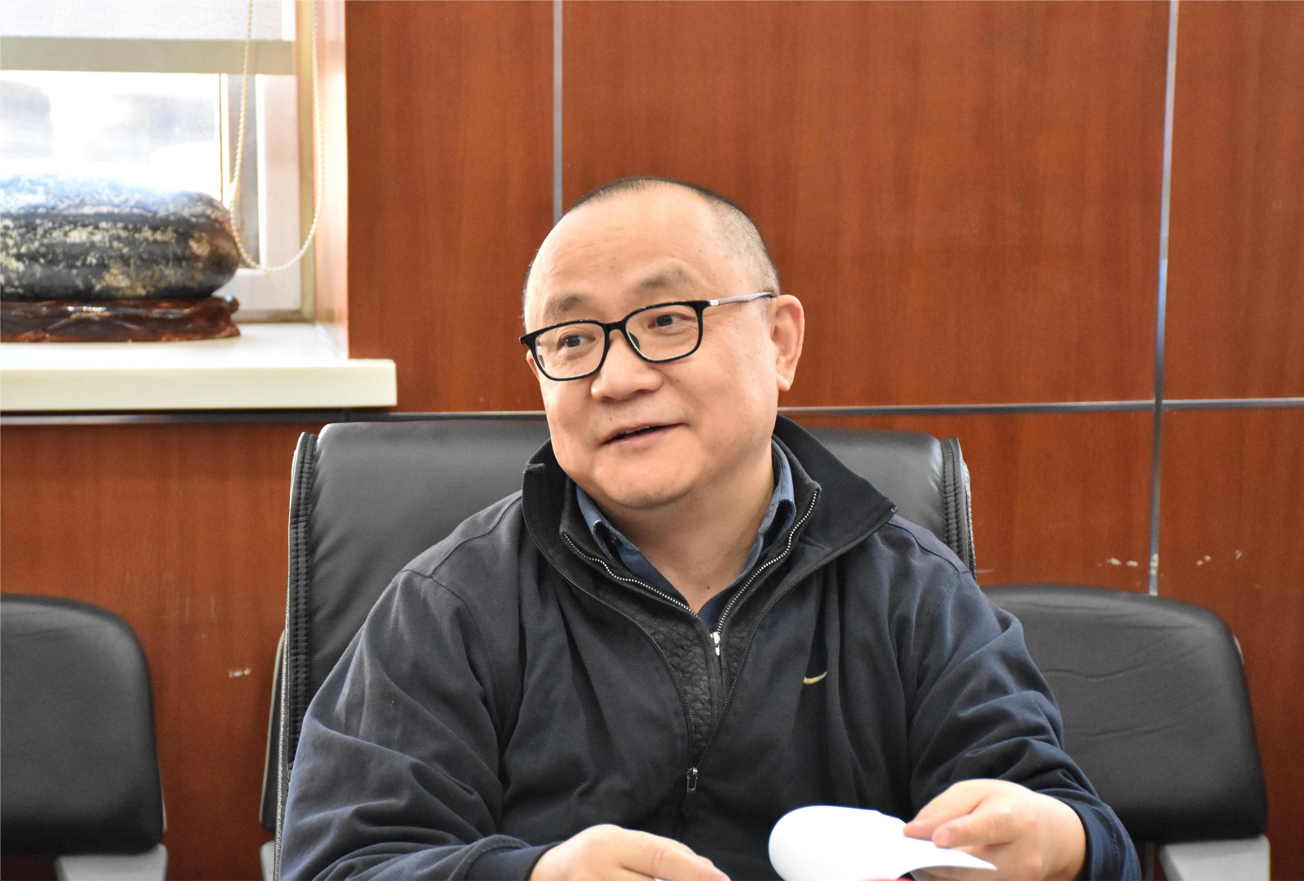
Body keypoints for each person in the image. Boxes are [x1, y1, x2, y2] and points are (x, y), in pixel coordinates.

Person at [279, 177, 1139, 881]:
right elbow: (338, 864)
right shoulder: (450, 605)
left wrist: (1055, 841)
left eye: (665, 320)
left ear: (780, 341)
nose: (616, 378)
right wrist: (531, 874)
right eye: (571, 339)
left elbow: (1077, 829)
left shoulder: (911, 590)